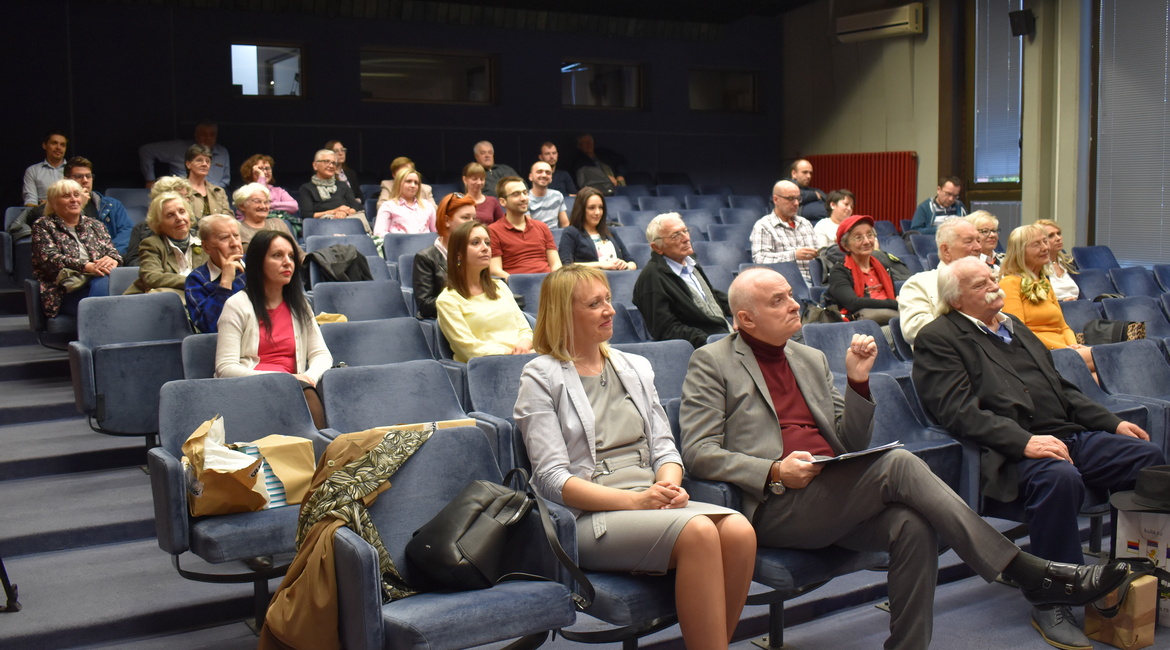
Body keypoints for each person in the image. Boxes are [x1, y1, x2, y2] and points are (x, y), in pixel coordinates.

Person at [682, 266, 1137, 650]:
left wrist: (858, 383)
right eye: (777, 301)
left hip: (832, 489)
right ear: (746, 318)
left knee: (913, 525)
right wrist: (774, 471)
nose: (793, 304)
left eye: (790, 294)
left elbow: (849, 440)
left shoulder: (810, 358)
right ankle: (1024, 569)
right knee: (897, 463)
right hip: (778, 503)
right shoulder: (713, 362)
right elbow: (699, 452)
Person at [913, 257, 1165, 649]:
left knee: (1146, 459)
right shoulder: (938, 338)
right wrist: (1024, 442)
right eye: (981, 284)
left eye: (993, 278)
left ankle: (1136, 570)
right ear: (956, 299)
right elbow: (957, 413)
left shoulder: (1014, 327)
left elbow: (1063, 390)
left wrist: (1111, 423)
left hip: (1066, 437)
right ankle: (1052, 599)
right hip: (1010, 452)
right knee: (1060, 478)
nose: (994, 286)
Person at [514, 265, 754, 649]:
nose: (610, 310)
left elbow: (665, 448)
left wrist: (668, 486)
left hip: (650, 499)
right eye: (594, 304)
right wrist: (635, 502)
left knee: (740, 531)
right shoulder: (540, 376)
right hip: (591, 516)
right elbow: (553, 479)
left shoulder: (635, 366)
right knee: (700, 532)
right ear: (564, 314)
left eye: (608, 299)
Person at [215, 229, 330, 428]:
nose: (287, 262)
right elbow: (225, 368)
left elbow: (321, 354)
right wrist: (286, 379)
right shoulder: (236, 305)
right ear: (258, 262)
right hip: (251, 388)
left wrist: (309, 377)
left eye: (291, 256)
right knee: (306, 395)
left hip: (296, 386)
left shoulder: (300, 305)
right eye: (277, 255)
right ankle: (326, 446)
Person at [998, 224, 1097, 372]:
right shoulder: (1009, 283)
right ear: (1020, 251)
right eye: (1036, 244)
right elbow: (1019, 332)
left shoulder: (1044, 282)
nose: (1045, 248)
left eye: (1045, 241)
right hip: (1039, 353)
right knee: (1106, 358)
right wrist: (1065, 349)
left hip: (1064, 350)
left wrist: (1074, 346)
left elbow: (1063, 327)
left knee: (1098, 377)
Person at [436, 221, 532, 363]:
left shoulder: (500, 286)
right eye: (475, 243)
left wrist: (524, 344)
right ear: (458, 254)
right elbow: (468, 348)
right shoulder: (447, 300)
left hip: (523, 358)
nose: (485, 248)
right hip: (488, 366)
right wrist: (511, 354)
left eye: (487, 243)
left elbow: (525, 329)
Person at [632, 213, 731, 348]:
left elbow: (706, 296)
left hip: (724, 337)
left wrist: (737, 309)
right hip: (703, 348)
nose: (686, 238)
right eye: (676, 235)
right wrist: (707, 340)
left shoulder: (690, 262)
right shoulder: (651, 279)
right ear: (657, 248)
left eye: (685, 231)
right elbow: (665, 330)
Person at [31, 179, 120, 317]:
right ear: (53, 202)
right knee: (105, 284)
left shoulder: (95, 225)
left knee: (107, 281)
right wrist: (87, 266)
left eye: (77, 195)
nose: (74, 200)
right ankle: (101, 323)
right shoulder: (43, 226)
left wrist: (113, 259)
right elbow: (50, 259)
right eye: (66, 196)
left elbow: (112, 251)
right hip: (65, 291)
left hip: (98, 282)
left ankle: (97, 323)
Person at [897, 217, 983, 347]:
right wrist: (971, 320)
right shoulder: (919, 283)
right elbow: (913, 330)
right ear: (946, 250)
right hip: (947, 354)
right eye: (969, 241)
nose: (978, 247)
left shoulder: (989, 282)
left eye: (978, 240)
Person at [125, 192, 208, 296]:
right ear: (158, 224)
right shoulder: (152, 244)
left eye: (182, 212)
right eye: (170, 215)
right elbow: (152, 277)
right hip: (160, 300)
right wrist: (193, 281)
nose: (179, 218)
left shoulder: (205, 240)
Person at [412, 193, 477, 319]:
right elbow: (425, 306)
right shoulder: (425, 258)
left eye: (474, 218)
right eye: (465, 218)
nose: (472, 224)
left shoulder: (474, 251)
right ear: (447, 220)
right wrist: (465, 300)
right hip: (449, 320)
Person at [826, 215, 899, 325]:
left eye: (870, 235)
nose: (866, 241)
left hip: (892, 319)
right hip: (861, 325)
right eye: (858, 237)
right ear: (846, 246)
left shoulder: (883, 266)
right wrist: (894, 304)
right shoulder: (839, 271)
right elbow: (852, 303)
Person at [487, 176, 561, 280]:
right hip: (516, 286)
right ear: (503, 201)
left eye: (525, 193)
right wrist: (519, 283)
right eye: (516, 194)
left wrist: (553, 281)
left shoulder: (542, 227)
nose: (524, 198)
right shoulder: (493, 230)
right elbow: (495, 270)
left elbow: (556, 264)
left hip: (547, 283)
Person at [185, 214, 245, 333]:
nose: (234, 243)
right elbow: (209, 328)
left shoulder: (257, 265)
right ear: (206, 247)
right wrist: (225, 283)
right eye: (224, 238)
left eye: (236, 236)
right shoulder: (196, 280)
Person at [750, 180, 819, 283]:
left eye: (798, 198)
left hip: (816, 279)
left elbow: (817, 254)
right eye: (790, 198)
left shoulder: (805, 223)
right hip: (786, 281)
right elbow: (760, 260)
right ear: (776, 200)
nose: (796, 203)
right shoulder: (764, 226)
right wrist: (794, 255)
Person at [66, 156, 134, 256]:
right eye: (78, 176)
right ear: (66, 180)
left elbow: (127, 232)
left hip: (112, 258)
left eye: (88, 176)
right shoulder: (61, 208)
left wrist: (112, 255)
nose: (85, 180)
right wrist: (80, 204)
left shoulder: (113, 205)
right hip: (79, 260)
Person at [557, 187, 636, 270]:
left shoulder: (610, 231)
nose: (598, 212)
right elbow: (566, 265)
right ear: (581, 210)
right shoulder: (570, 232)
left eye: (601, 207)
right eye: (592, 208)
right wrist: (600, 264)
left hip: (620, 276)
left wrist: (626, 265)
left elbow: (632, 262)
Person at [124, 176, 194, 267]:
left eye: (187, 196)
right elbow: (133, 261)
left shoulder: (200, 226)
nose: (187, 200)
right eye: (180, 196)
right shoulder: (142, 230)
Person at [296, 149, 369, 232]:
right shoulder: (306, 188)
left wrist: (344, 213)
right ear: (315, 165)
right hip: (322, 226)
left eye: (334, 163)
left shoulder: (342, 185)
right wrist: (334, 211)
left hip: (346, 220)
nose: (331, 166)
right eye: (326, 161)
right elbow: (307, 215)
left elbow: (356, 206)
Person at [140, 121, 229, 189]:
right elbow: (146, 150)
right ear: (196, 135)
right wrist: (150, 180)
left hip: (214, 196)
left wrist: (213, 191)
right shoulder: (178, 148)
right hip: (183, 195)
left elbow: (225, 181)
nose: (208, 138)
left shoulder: (223, 152)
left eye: (212, 135)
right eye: (203, 134)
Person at [373, 167, 436, 236]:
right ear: (398, 184)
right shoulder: (388, 206)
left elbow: (437, 231)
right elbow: (379, 234)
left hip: (425, 242)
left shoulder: (427, 205)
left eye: (416, 183)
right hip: (398, 242)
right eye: (408, 181)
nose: (413, 185)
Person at [233, 183, 296, 252]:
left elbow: (297, 251)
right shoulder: (236, 229)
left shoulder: (278, 224)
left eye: (266, 202)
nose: (263, 206)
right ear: (242, 206)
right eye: (257, 201)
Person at [1036, 219, 1080, 301]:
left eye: (1058, 233)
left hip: (1077, 305)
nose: (1058, 238)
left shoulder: (1069, 262)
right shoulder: (1036, 268)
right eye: (1051, 236)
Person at [185, 145, 231, 221]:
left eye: (208, 161)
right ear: (188, 164)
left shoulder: (219, 191)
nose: (204, 164)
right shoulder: (180, 189)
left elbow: (228, 217)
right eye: (199, 160)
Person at [23, 130, 68, 206]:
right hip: (42, 212)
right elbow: (30, 201)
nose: (58, 147)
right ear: (44, 145)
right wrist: (43, 209)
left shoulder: (74, 170)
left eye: (62, 145)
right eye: (54, 143)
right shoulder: (33, 171)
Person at [527, 161, 568, 228]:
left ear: (551, 178)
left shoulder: (557, 195)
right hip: (535, 233)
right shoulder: (525, 198)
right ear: (530, 177)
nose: (544, 175)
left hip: (556, 234)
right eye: (539, 172)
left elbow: (565, 224)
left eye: (548, 173)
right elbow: (529, 228)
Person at [966, 210, 1002, 275]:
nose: (992, 235)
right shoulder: (968, 265)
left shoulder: (1006, 261)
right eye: (985, 231)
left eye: (994, 231)